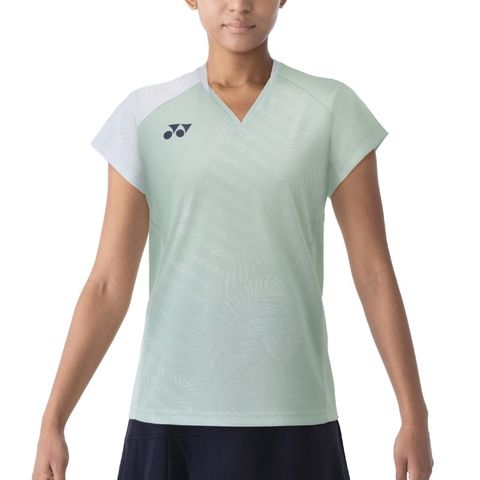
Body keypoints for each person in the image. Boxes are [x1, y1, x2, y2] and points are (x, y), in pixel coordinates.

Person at [32, 0, 434, 479]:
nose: (239, 5)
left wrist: (414, 413)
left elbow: (373, 272)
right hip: (170, 416)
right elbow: (106, 285)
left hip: (294, 415)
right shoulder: (145, 114)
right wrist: (54, 419)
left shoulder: (330, 109)